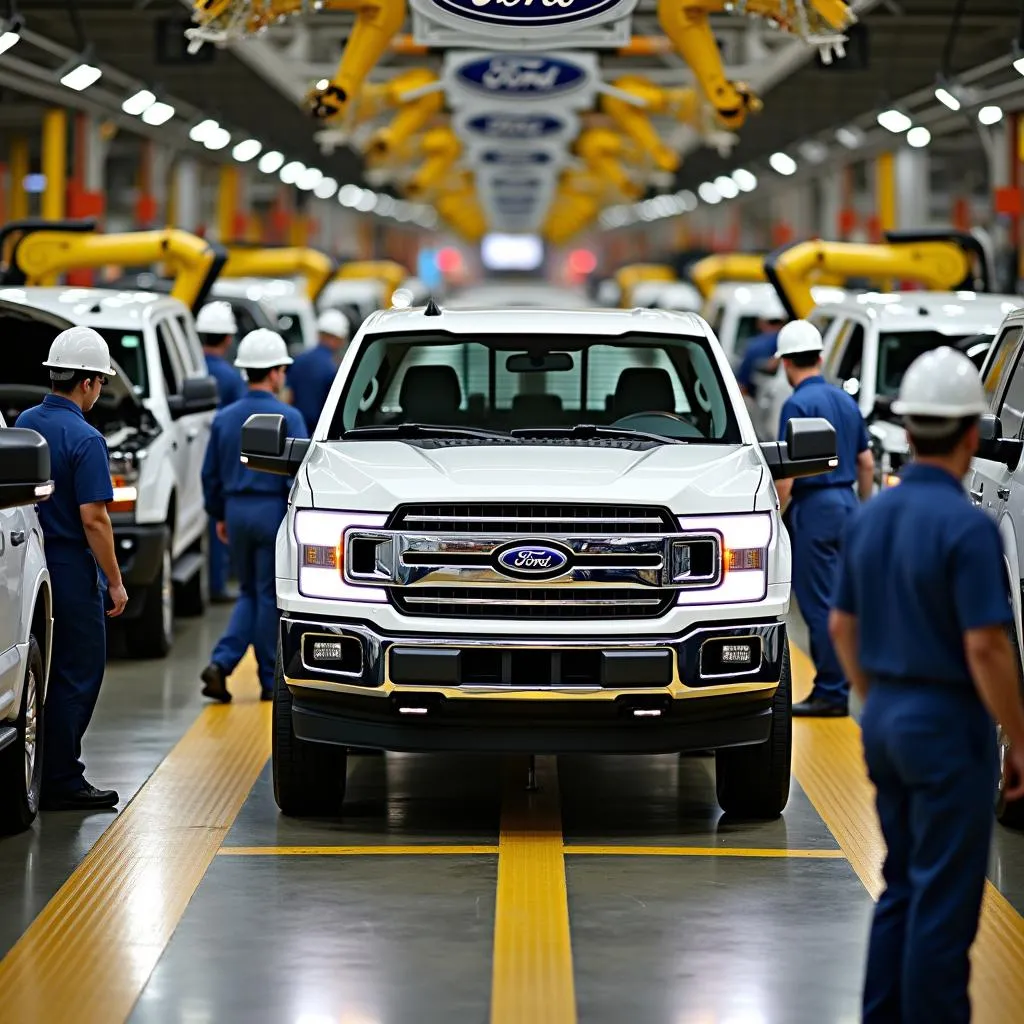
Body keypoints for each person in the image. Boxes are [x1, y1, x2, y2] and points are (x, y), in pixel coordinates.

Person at [829, 346, 1024, 1024]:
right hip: (947, 731)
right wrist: (1021, 744)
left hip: (885, 719)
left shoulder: (872, 516)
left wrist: (871, 697)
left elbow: (841, 627)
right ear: (972, 434)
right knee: (945, 903)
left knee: (904, 888)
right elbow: (987, 647)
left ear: (907, 431)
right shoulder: (967, 529)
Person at [16, 327, 129, 810]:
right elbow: (95, 519)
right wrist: (116, 582)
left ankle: (42, 768)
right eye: (101, 382)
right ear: (86, 383)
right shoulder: (86, 438)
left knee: (40, 670)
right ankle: (62, 777)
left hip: (28, 561)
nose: (99, 391)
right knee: (77, 672)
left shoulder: (23, 422)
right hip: (69, 564)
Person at [199, 329, 307, 703]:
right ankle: (266, 677)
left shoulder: (224, 417)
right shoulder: (290, 416)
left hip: (235, 509)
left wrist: (219, 514)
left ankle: (223, 663)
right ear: (275, 372)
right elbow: (300, 478)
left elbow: (208, 473)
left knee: (248, 591)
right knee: (265, 595)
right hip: (271, 511)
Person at [774, 319, 874, 717]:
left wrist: (776, 518)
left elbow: (789, 473)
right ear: (819, 356)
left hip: (815, 510)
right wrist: (862, 508)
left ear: (785, 364)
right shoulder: (846, 402)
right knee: (842, 600)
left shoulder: (797, 404)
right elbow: (866, 463)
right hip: (847, 505)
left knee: (817, 605)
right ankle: (842, 681)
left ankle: (832, 692)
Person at [197, 301, 245, 603]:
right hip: (223, 453)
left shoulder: (191, 370)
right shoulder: (229, 378)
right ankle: (220, 581)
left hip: (189, 452)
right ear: (228, 338)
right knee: (221, 517)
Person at [286, 308, 349, 434]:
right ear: (338, 338)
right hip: (321, 433)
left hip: (297, 429)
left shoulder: (299, 360)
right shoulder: (335, 367)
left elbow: (287, 395)